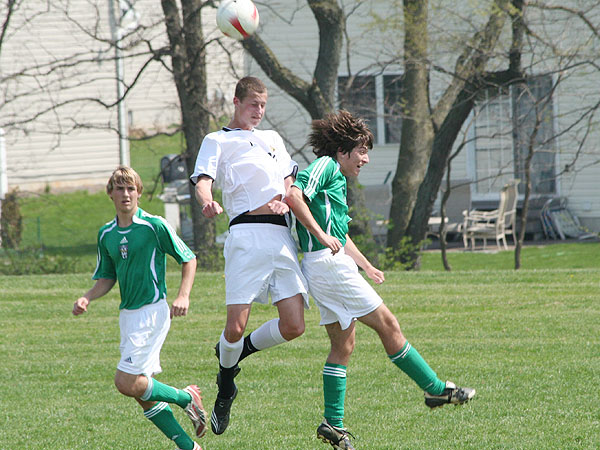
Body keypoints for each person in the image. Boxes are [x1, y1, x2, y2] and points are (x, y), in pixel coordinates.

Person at [286, 110, 476, 450]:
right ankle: (435, 389)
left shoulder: (337, 177)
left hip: (327, 266)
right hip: (328, 265)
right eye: (361, 151)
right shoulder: (326, 166)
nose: (366, 159)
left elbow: (339, 234)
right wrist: (320, 235)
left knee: (343, 346)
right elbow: (293, 196)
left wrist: (366, 265)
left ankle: (333, 424)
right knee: (389, 325)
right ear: (342, 151)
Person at [190, 76, 309, 435]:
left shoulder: (272, 138)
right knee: (235, 327)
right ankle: (226, 386)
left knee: (294, 325)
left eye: (263, 105)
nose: (258, 111)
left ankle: (237, 353)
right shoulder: (217, 140)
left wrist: (286, 198)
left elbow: (289, 179)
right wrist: (207, 201)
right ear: (237, 102)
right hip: (246, 235)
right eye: (253, 104)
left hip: (281, 236)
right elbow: (203, 180)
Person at [72, 166, 206, 450]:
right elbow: (107, 277)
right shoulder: (106, 233)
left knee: (126, 382)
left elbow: (188, 258)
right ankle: (189, 447)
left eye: (131, 188)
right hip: (128, 316)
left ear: (139, 193)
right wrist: (87, 297)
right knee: (141, 391)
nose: (126, 194)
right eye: (119, 188)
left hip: (151, 312)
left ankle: (186, 397)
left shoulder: (153, 225)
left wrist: (183, 295)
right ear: (110, 193)